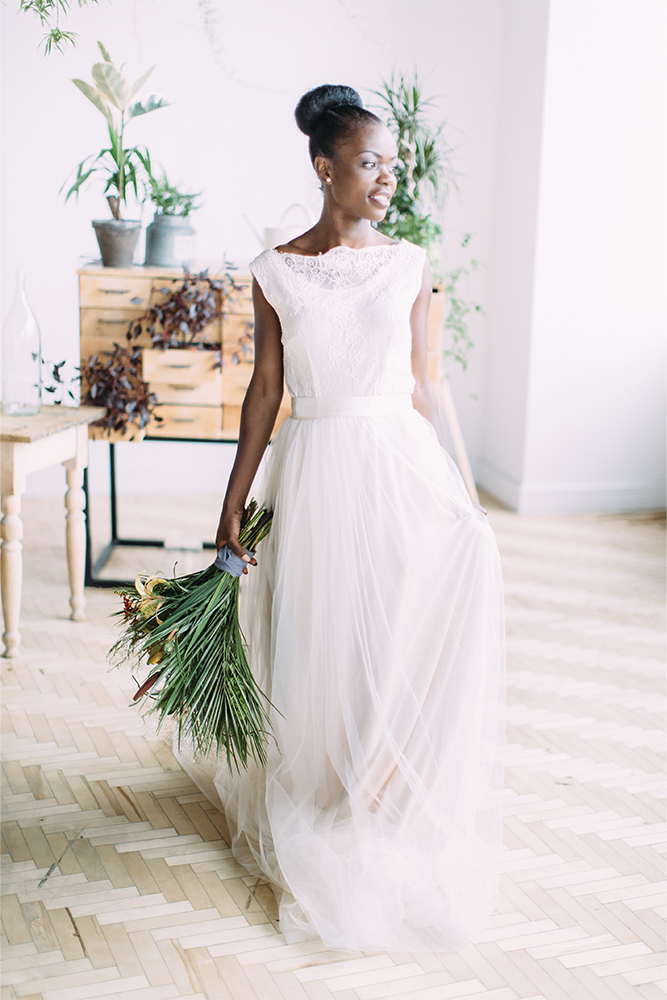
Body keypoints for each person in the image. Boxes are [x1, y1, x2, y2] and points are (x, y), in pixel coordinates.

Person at [176, 84, 505, 953]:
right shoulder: (277, 270)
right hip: (316, 468)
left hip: (398, 464)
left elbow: (428, 381)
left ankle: (376, 785)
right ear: (325, 169)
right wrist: (230, 509)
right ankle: (332, 785)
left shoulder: (408, 261)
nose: (386, 179)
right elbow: (264, 394)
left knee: (400, 620)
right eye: (369, 164)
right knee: (325, 633)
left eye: (391, 165)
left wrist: (465, 495)